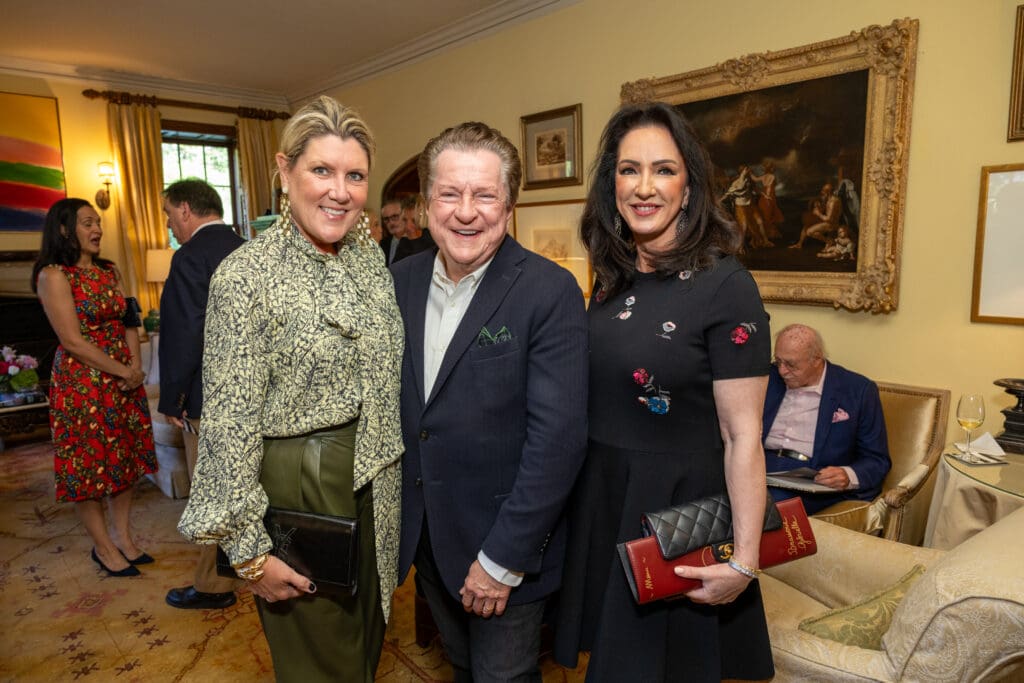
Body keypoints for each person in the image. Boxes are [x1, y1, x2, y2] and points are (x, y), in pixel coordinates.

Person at [178, 95, 403, 683]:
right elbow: (228, 419)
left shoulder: (368, 259)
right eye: (321, 171)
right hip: (301, 490)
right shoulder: (245, 275)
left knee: (363, 652)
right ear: (284, 171)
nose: (340, 191)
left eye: (355, 176)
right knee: (321, 666)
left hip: (376, 481)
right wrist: (250, 553)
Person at [553, 102, 774, 682]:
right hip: (607, 504)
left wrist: (745, 562)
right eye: (629, 170)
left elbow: (743, 434)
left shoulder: (727, 285)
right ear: (611, 184)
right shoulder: (613, 276)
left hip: (676, 522)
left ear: (690, 184)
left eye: (663, 170)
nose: (644, 187)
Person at [391, 121, 588, 682]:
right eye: (450, 193)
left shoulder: (548, 291)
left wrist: (503, 560)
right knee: (463, 667)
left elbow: (560, 442)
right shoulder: (399, 280)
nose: (465, 211)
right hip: (427, 536)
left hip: (505, 546)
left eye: (484, 195)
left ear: (509, 206)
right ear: (428, 202)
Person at [32, 198, 157, 577]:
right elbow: (72, 341)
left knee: (125, 460)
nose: (97, 229)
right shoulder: (53, 276)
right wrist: (121, 369)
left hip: (123, 378)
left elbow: (128, 320)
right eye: (88, 223)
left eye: (98, 222)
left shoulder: (109, 270)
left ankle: (124, 538)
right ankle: (103, 548)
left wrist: (135, 367)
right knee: (87, 468)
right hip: (81, 383)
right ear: (66, 229)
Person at [158, 178, 245, 609]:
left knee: (214, 492)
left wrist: (173, 398)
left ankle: (214, 586)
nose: (172, 226)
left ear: (187, 210)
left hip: (209, 400)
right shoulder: (251, 249)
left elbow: (182, 335)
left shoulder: (190, 257)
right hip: (257, 394)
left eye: (171, 216)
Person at [762, 323, 890, 514]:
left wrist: (847, 475)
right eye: (778, 361)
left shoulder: (857, 390)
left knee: (766, 504)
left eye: (791, 364)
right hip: (760, 466)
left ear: (816, 359)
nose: (782, 371)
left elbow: (877, 459)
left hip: (811, 479)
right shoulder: (767, 378)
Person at [791, 182, 840, 249]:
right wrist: (818, 205)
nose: (822, 193)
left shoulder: (833, 202)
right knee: (807, 224)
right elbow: (825, 209)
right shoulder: (829, 199)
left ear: (827, 192)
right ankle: (799, 244)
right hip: (826, 221)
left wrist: (818, 214)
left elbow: (829, 219)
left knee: (809, 232)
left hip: (831, 224)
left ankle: (828, 241)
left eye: (823, 191)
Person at [391, 194, 435, 264]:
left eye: (414, 221)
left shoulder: (434, 244)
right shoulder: (403, 243)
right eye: (405, 220)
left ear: (424, 220)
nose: (408, 227)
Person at [378, 198, 404, 264]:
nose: (391, 222)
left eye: (395, 216)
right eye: (386, 219)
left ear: (404, 214)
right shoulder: (381, 244)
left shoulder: (416, 241)